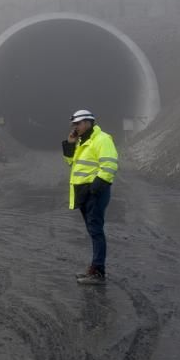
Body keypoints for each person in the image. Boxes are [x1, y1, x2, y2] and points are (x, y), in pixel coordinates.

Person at [62, 109, 119, 285]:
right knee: (93, 231)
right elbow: (71, 162)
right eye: (74, 124)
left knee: (96, 231)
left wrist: (95, 188)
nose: (75, 127)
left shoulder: (102, 139)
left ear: (87, 122)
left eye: (77, 124)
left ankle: (98, 272)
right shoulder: (82, 141)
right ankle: (94, 268)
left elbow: (109, 165)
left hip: (95, 192)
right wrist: (70, 144)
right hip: (84, 193)